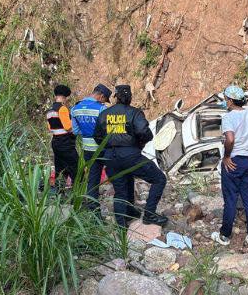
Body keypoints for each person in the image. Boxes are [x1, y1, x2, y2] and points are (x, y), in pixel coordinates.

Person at [94, 85, 168, 227]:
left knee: (120, 189)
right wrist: (139, 144)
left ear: (115, 97)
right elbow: (144, 132)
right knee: (159, 179)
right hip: (130, 154)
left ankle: (122, 225)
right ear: (130, 97)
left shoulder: (105, 114)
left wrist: (107, 149)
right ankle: (149, 215)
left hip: (110, 156)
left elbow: (97, 136)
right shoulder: (134, 113)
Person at [211, 85, 248, 246]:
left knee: (231, 199)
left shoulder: (228, 117)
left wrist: (226, 156)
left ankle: (225, 236)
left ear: (230, 100)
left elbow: (230, 139)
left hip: (234, 162)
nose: (225, 102)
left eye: (226, 99)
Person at [71, 84, 112, 214]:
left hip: (87, 150)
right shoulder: (101, 109)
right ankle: (122, 207)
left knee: (93, 180)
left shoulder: (75, 108)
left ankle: (93, 212)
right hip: (102, 149)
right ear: (101, 96)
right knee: (116, 174)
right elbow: (107, 131)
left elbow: (75, 131)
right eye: (105, 99)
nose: (104, 102)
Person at [46, 84, 78, 189]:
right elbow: (68, 127)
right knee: (75, 165)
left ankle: (60, 190)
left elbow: (50, 128)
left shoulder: (49, 111)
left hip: (55, 141)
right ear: (64, 97)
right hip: (65, 142)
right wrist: (76, 131)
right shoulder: (63, 109)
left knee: (60, 167)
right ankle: (76, 188)